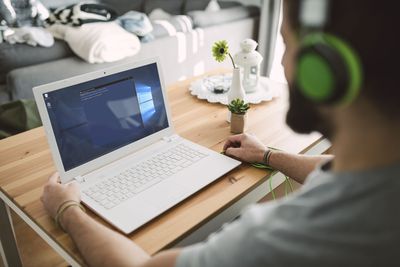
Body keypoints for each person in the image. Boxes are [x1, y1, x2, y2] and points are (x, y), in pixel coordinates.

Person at [41, 0, 400, 266]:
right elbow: (337, 169)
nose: (285, 64)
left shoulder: (288, 238)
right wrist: (268, 156)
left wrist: (68, 210)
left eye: (287, 47)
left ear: (320, 71)